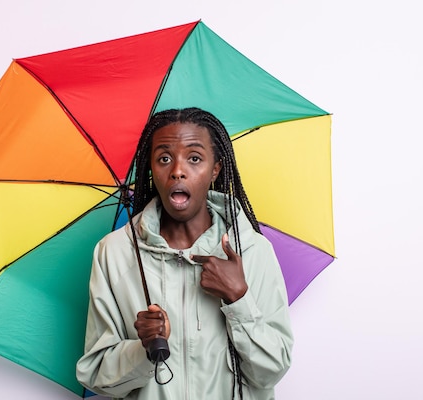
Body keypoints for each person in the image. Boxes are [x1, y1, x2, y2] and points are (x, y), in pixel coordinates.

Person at [76, 108, 293, 399]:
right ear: (151, 168)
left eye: (194, 158)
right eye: (164, 158)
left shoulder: (252, 250)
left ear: (215, 168)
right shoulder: (114, 253)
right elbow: (95, 374)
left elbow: (271, 371)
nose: (177, 170)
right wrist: (143, 349)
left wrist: (238, 300)